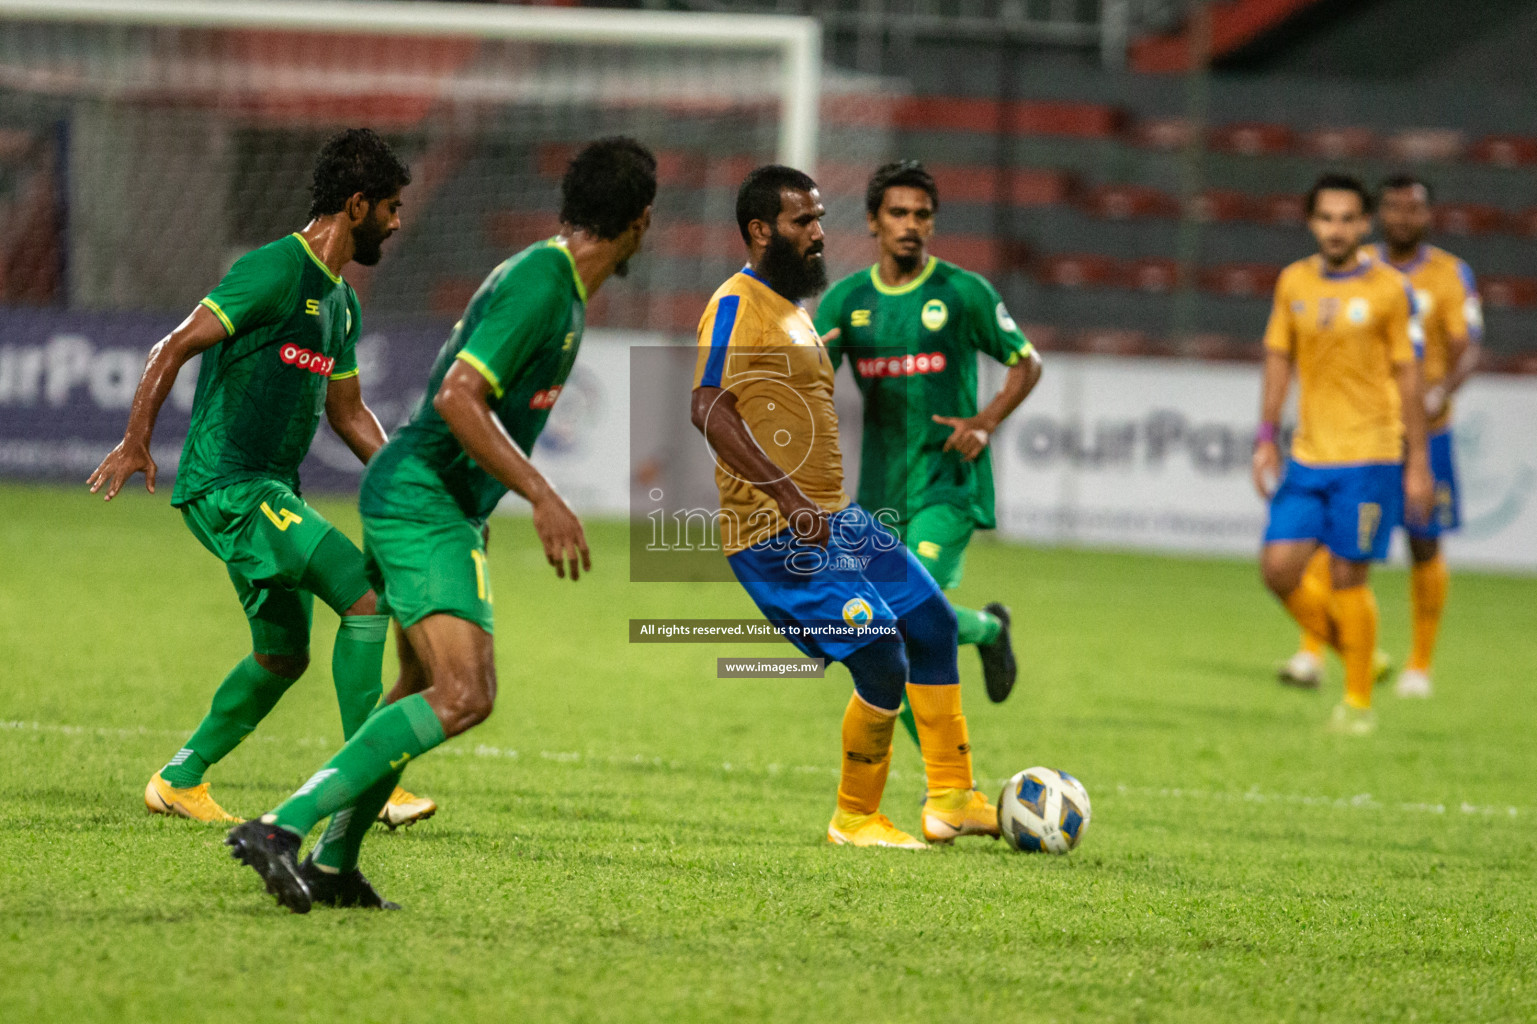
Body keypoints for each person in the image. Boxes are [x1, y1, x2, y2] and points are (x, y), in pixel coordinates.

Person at [224, 136, 656, 912]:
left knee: (420, 687)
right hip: (420, 499)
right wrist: (542, 495)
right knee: (465, 693)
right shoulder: (540, 283)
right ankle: (280, 828)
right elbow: (459, 397)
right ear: (641, 221)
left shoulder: (555, 286)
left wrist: (484, 506)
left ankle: (332, 862)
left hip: (436, 503)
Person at [89, 128, 434, 828]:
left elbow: (349, 411)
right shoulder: (274, 269)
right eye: (391, 208)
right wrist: (135, 441)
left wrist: (407, 474)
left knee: (281, 656)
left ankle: (179, 779)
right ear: (357, 204)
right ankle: (371, 781)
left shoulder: (342, 302)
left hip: (269, 491)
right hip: (232, 486)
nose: (398, 223)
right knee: (366, 599)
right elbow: (173, 344)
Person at [692, 164, 999, 849]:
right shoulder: (735, 304)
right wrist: (785, 495)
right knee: (882, 654)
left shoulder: (792, 312)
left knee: (932, 625)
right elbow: (707, 404)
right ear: (759, 230)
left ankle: (951, 796)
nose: (819, 233)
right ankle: (854, 817)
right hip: (776, 533)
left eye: (820, 218)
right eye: (803, 221)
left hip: (838, 519)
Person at [814, 160, 1042, 749]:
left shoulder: (963, 293)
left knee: (899, 620)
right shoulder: (845, 302)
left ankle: (948, 780)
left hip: (948, 484)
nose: (911, 224)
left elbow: (1027, 362)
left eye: (922, 215)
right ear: (872, 221)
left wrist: (985, 422)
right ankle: (988, 630)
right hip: (879, 496)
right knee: (884, 635)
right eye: (898, 213)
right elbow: (810, 384)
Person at [1280, 174, 1481, 700]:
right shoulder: (1352, 265)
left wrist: (1439, 391)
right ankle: (1313, 651)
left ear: (1428, 215)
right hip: (1355, 436)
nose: (1402, 218)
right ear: (1379, 214)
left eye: (1412, 209)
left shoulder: (1449, 274)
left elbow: (1468, 345)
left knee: (1423, 539)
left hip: (1423, 431)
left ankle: (1419, 664)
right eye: (1393, 208)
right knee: (1326, 543)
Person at [1252, 173, 1433, 736]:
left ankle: (1357, 703)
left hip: (1372, 454)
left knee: (1349, 575)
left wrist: (1418, 461)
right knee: (1278, 569)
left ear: (1364, 224)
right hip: (1309, 455)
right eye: (1326, 218)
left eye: (1347, 218)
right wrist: (1265, 436)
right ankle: (1358, 650)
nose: (1336, 228)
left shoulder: (1388, 290)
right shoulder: (1293, 282)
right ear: (1312, 222)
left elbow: (1410, 375)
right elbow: (1280, 358)